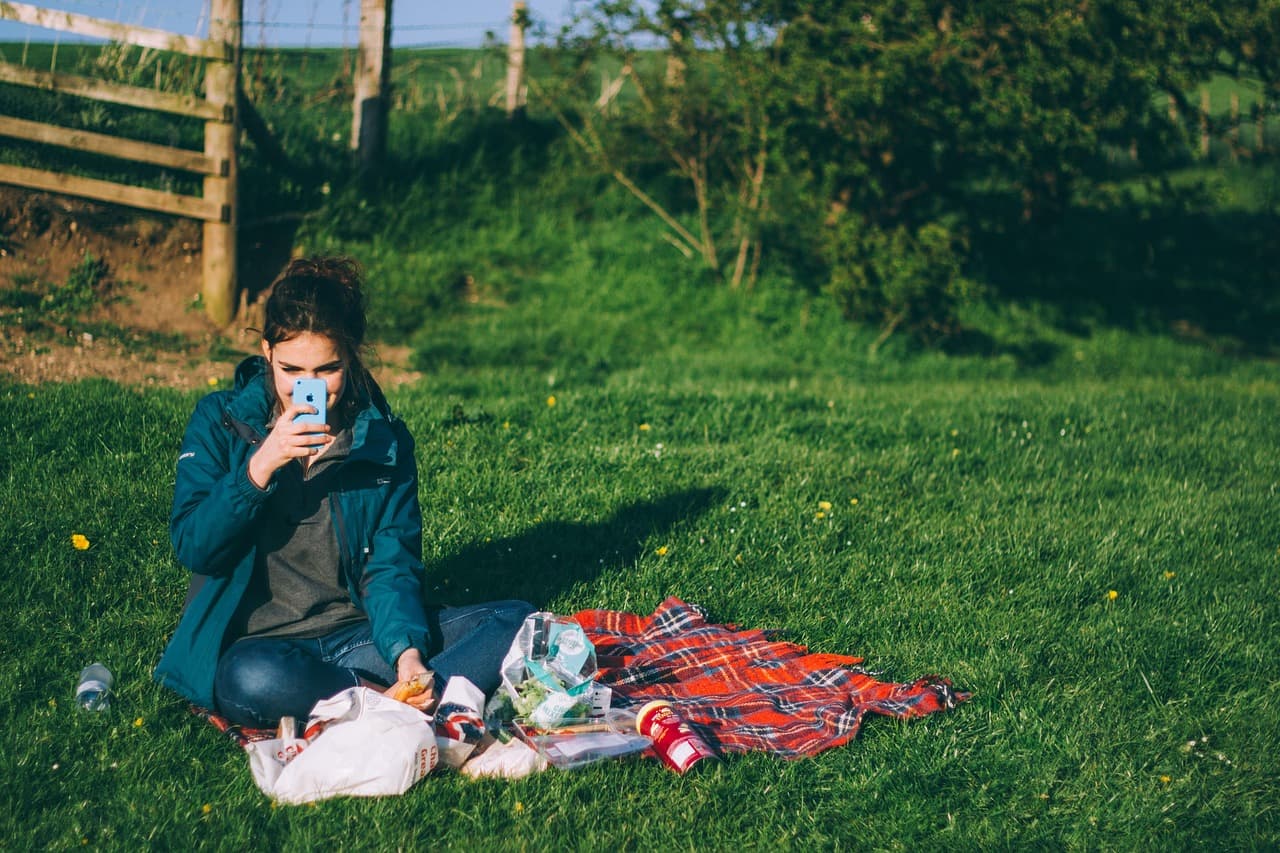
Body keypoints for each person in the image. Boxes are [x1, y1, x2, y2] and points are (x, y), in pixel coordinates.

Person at [154, 256, 533, 728]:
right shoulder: (220, 421)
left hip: (354, 639)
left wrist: (408, 658)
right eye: (291, 368)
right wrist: (259, 468)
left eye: (327, 370)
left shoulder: (380, 440)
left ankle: (387, 700)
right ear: (267, 352)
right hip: (261, 649)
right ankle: (406, 708)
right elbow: (196, 547)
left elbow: (390, 564)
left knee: (519, 621)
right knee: (247, 681)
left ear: (350, 357)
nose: (307, 388)